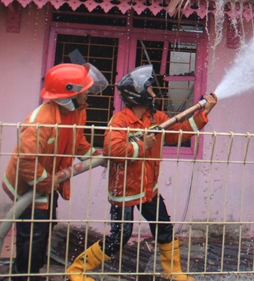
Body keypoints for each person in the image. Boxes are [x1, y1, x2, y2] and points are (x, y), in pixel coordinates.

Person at [66, 64, 218, 281]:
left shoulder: (156, 118)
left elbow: (178, 134)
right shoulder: (120, 121)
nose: (154, 94)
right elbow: (113, 150)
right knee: (120, 237)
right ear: (138, 95)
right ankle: (77, 270)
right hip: (125, 190)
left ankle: (172, 271)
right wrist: (142, 145)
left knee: (164, 227)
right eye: (149, 90)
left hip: (149, 189)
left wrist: (204, 114)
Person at [3, 62, 105, 281]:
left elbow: (77, 143)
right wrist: (44, 182)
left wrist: (99, 159)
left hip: (47, 182)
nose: (87, 92)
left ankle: (29, 272)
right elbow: (27, 159)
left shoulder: (76, 112)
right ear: (69, 94)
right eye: (83, 89)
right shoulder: (42, 120)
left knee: (46, 226)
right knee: (33, 234)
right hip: (28, 184)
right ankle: (23, 276)